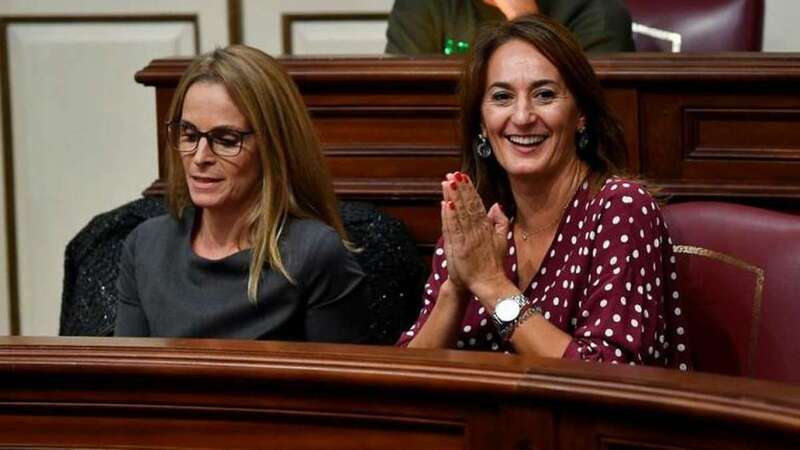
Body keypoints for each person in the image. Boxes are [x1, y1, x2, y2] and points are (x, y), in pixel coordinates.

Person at [398, 15, 690, 370]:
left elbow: (608, 374)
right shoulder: (477, 222)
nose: (522, 116)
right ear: (480, 122)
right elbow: (408, 377)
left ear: (580, 114)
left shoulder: (622, 209)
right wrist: (457, 290)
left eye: (545, 95)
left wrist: (492, 285)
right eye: (502, 97)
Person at [114, 45, 370, 342]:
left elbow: (337, 387)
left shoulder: (314, 253)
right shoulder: (145, 245)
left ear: (273, 147)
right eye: (190, 135)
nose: (200, 157)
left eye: (225, 140)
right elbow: (126, 382)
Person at [385, 0, 635, 55]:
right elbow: (404, 108)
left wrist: (523, 17)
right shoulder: (422, 5)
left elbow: (591, 128)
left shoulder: (598, 13)